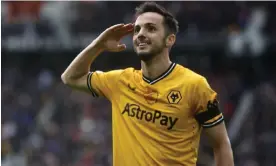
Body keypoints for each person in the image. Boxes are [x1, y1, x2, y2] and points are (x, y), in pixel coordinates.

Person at [61, 2, 234, 166]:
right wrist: (98, 45)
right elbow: (70, 77)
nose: (141, 34)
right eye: (137, 30)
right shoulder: (120, 81)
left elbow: (221, 144)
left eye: (151, 28)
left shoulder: (194, 85)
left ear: (170, 40)